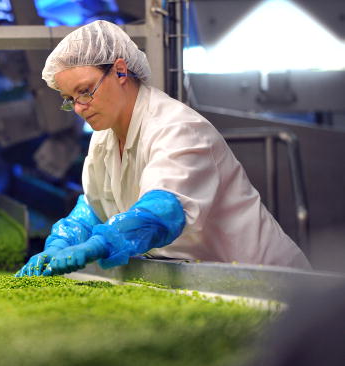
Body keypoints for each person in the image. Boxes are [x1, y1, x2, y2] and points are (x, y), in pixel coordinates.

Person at [15, 20, 310, 277]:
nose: (79, 108)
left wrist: (101, 243)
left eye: (85, 91)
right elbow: (95, 208)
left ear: (120, 71)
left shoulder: (177, 127)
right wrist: (61, 243)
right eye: (70, 99)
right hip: (205, 277)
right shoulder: (103, 138)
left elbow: (161, 212)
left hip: (268, 283)